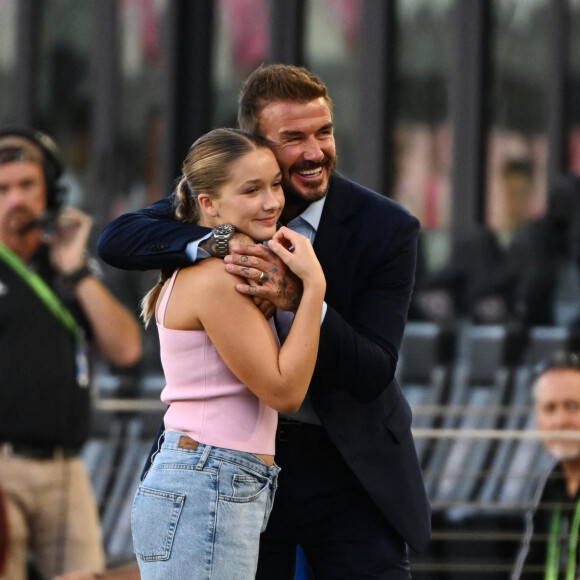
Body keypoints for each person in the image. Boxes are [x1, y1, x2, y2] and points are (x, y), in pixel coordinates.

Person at [97, 64, 431, 579]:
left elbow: (373, 369)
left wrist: (303, 298)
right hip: (239, 463)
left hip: (349, 463)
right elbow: (116, 240)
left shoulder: (387, 228)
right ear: (254, 143)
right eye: (293, 138)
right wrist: (212, 243)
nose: (315, 152)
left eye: (324, 132)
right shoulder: (219, 208)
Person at [131, 127, 325, 580]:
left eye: (275, 184)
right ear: (209, 205)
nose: (273, 201)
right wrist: (313, 288)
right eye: (251, 189)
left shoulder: (222, 271)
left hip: (212, 474)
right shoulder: (218, 278)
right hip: (208, 475)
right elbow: (285, 390)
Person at [0, 126, 143, 580]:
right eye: (2, 189)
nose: (16, 200)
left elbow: (126, 348)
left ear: (51, 192)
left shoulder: (65, 265)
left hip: (65, 466)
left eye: (27, 185)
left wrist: (77, 269)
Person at [512, 351, 580, 579]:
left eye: (572, 406)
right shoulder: (551, 481)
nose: (560, 421)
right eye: (550, 409)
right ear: (539, 421)